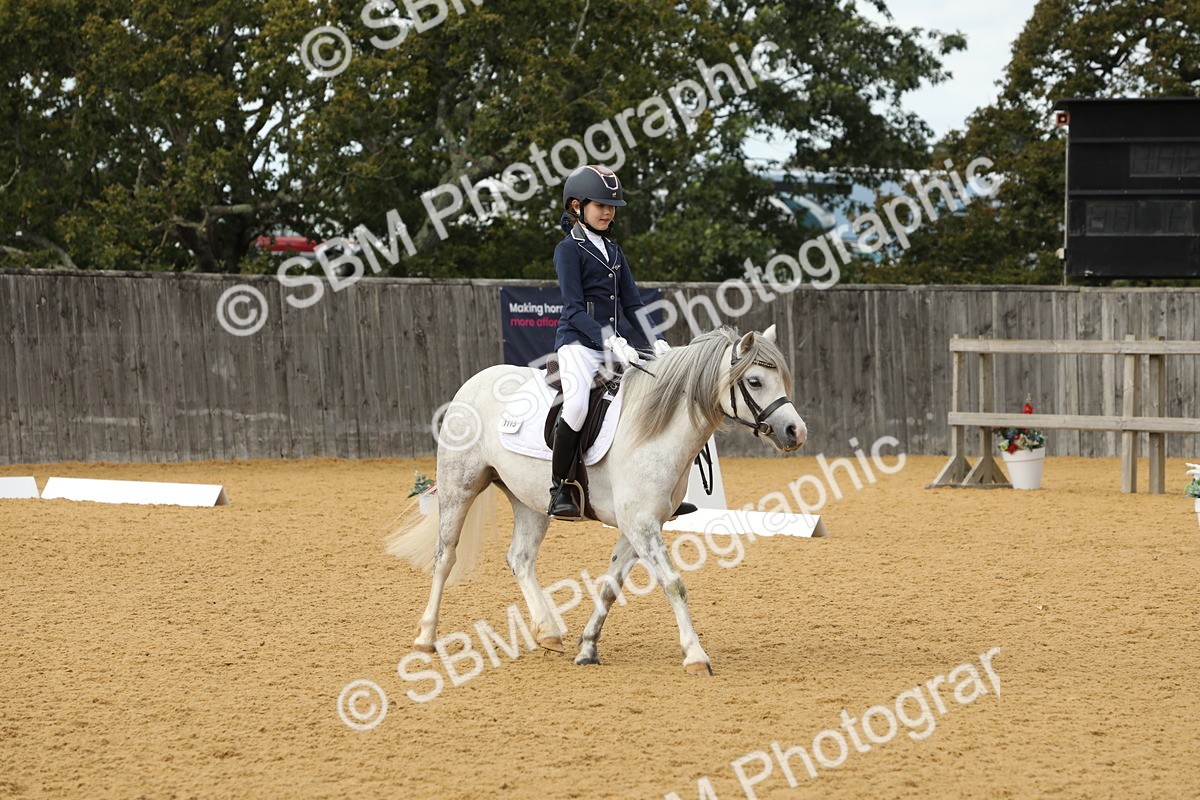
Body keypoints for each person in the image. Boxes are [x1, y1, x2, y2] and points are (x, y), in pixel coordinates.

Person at [548, 164, 670, 520]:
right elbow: (572, 310)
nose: (607, 211)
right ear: (576, 206)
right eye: (600, 205)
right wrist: (610, 339)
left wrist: (657, 341)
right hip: (577, 345)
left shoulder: (614, 252)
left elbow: (632, 304)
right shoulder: (568, 250)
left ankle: (656, 490)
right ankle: (560, 489)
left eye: (611, 206)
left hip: (615, 346)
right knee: (576, 408)